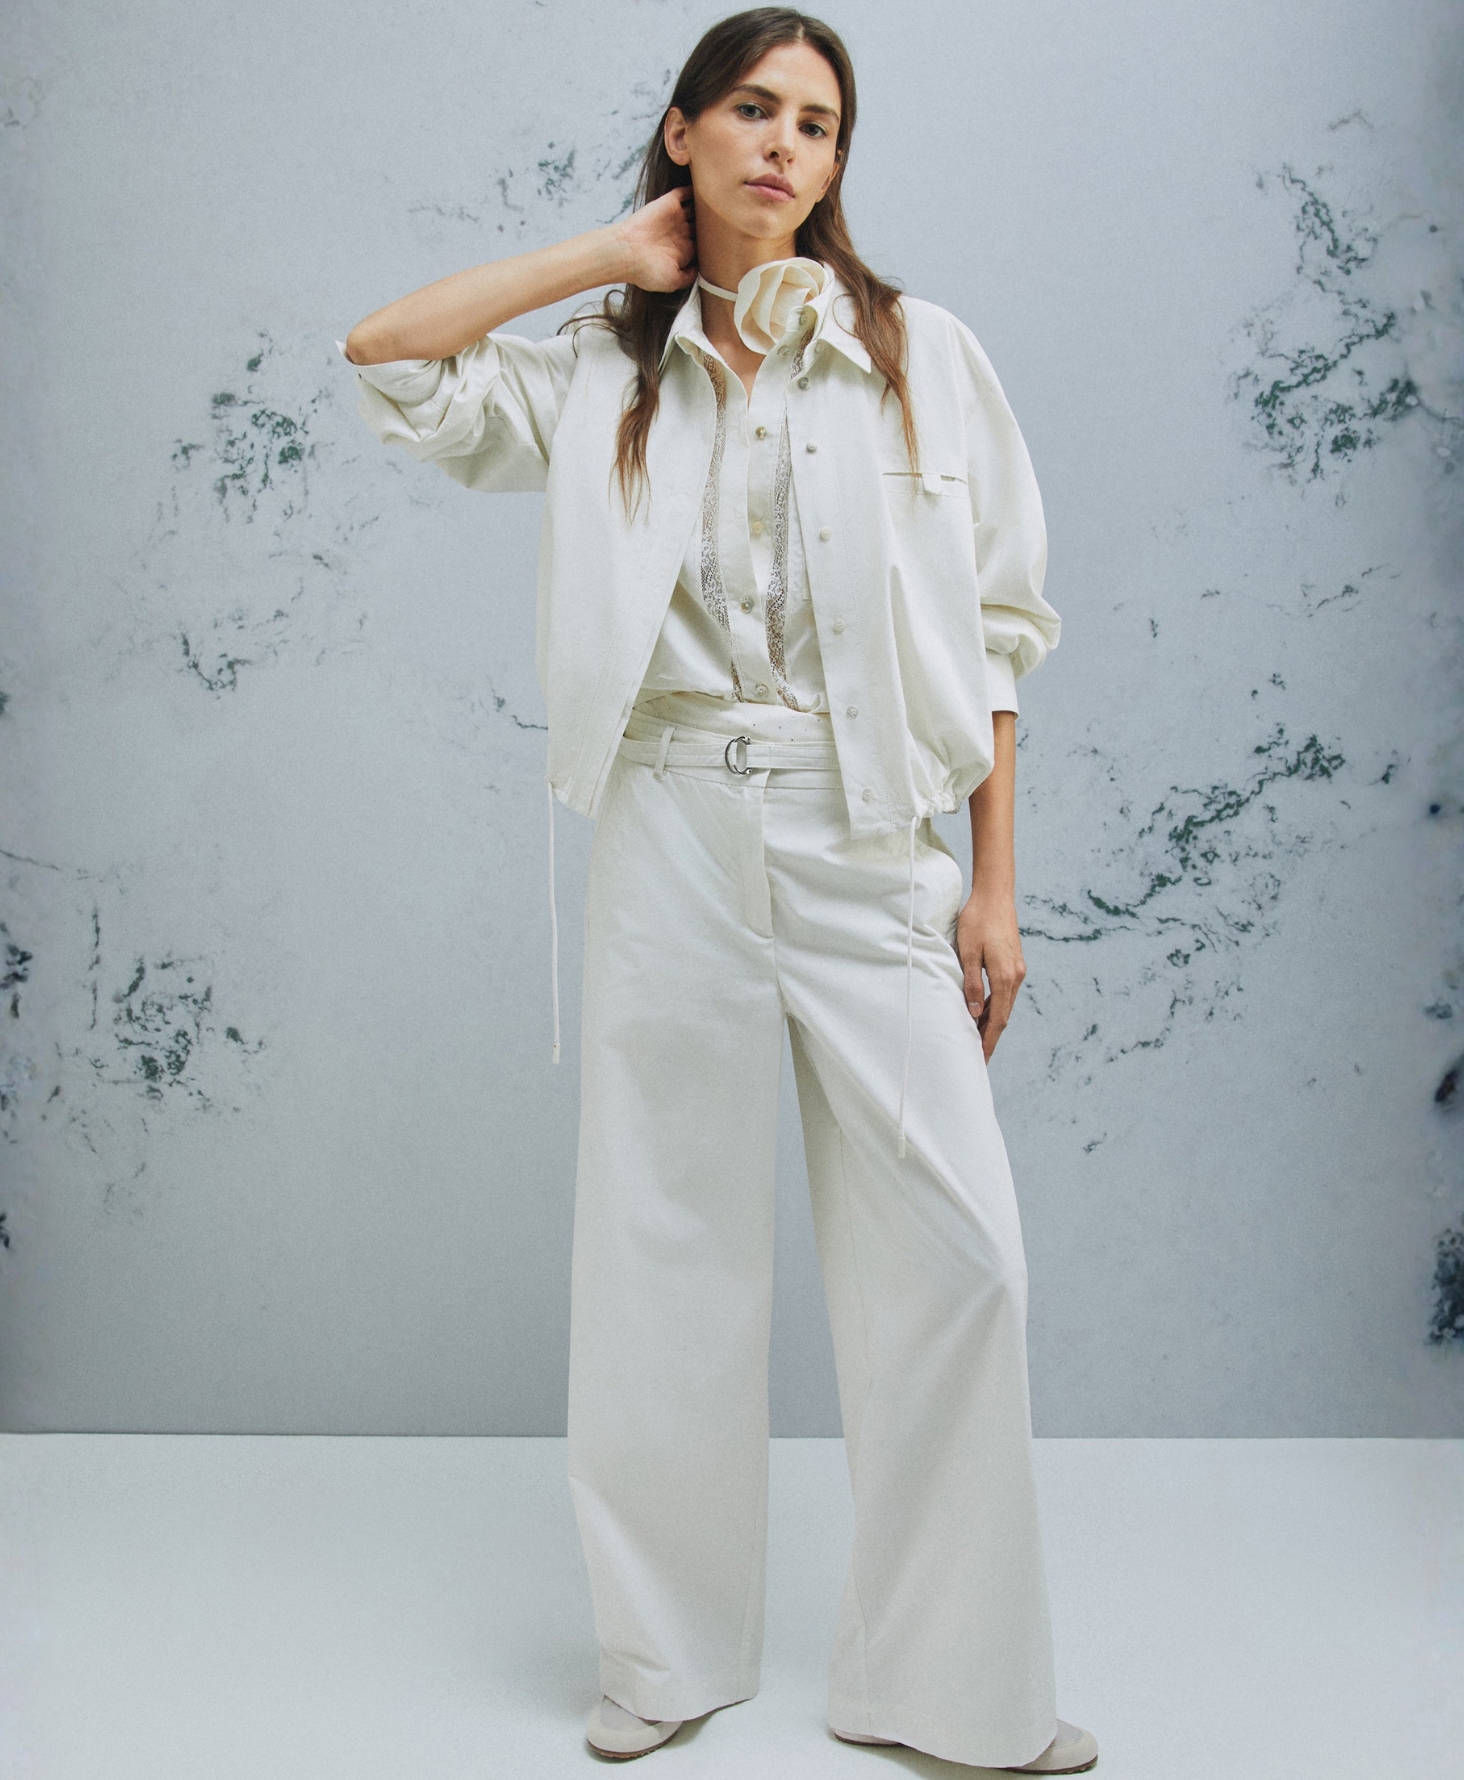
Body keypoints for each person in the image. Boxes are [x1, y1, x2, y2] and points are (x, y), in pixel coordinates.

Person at [339, 7, 1095, 1771]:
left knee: (964, 1259)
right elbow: (387, 355)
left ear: (838, 162)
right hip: (672, 823)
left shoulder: (921, 356)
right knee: (662, 1247)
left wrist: (992, 888)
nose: (784, 146)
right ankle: (664, 1658)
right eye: (752, 109)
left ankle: (952, 1690)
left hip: (868, 832)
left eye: (817, 124)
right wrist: (611, 260)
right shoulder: (602, 366)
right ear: (683, 132)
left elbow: (1000, 633)